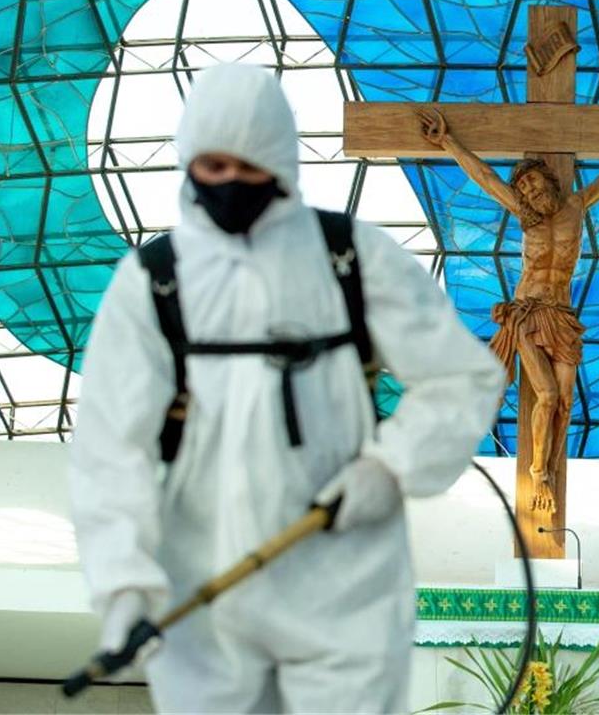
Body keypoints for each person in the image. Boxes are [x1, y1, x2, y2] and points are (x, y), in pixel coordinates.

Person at [69, 63, 505, 713]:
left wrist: (389, 467)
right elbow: (111, 445)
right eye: (213, 167)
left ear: (281, 163)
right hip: (204, 577)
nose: (230, 185)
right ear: (189, 161)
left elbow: (463, 376)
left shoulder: (351, 258)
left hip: (344, 579)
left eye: (249, 168)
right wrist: (125, 583)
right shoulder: (153, 281)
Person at [416, 107, 599, 511]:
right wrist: (446, 141)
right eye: (522, 187)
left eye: (531, 182)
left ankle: (551, 470)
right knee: (544, 396)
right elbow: (485, 178)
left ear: (548, 179)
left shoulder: (576, 206)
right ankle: (538, 474)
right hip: (526, 313)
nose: (527, 191)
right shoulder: (525, 218)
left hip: (562, 318)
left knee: (564, 403)